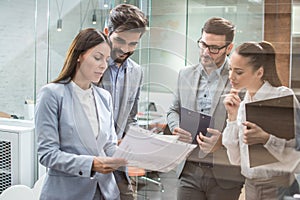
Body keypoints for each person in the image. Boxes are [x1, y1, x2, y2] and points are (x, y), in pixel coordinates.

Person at [35, 28, 127, 200]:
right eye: (97, 57)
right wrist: (91, 164)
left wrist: (131, 156)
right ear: (79, 55)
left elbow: (108, 145)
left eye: (106, 60)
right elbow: (47, 154)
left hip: (106, 192)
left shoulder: (104, 97)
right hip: (68, 194)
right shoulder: (52, 94)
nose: (103, 65)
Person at [167, 17, 244, 200]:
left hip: (224, 174)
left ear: (229, 48)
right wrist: (175, 127)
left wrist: (223, 141)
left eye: (214, 48)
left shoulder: (239, 79)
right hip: (189, 169)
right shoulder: (185, 74)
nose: (206, 52)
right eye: (203, 44)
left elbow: (247, 125)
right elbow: (172, 110)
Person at [221, 41, 300, 200]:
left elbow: (296, 151)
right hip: (250, 186)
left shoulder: (282, 97)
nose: (231, 77)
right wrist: (232, 118)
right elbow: (235, 160)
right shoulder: (242, 105)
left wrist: (266, 139)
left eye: (239, 72)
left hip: (279, 187)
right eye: (230, 69)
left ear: (259, 72)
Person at [98, 3, 148, 200]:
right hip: (92, 161)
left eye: (133, 44)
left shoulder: (137, 72)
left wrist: (139, 140)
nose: (125, 49)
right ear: (106, 32)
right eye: (120, 40)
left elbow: (130, 118)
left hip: (120, 164)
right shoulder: (90, 66)